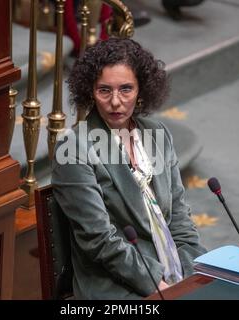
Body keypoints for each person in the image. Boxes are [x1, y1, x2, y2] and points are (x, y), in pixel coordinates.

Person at [52, 37, 206, 299]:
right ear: (90, 91)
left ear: (141, 89)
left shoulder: (157, 134)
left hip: (176, 269)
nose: (115, 101)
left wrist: (191, 273)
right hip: (117, 283)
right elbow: (99, 240)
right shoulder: (73, 148)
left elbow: (179, 216)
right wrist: (159, 287)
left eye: (126, 89)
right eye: (104, 90)